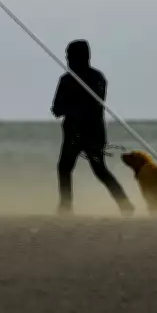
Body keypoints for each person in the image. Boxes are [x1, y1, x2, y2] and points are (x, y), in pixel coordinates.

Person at [50, 39, 134, 216]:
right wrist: (67, 108)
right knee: (64, 168)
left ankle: (125, 205)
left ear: (83, 57)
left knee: (99, 170)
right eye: (67, 56)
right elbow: (56, 109)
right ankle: (65, 206)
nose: (67, 60)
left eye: (70, 56)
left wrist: (75, 106)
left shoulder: (97, 78)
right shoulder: (66, 80)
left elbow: (96, 104)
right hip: (72, 134)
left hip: (92, 133)